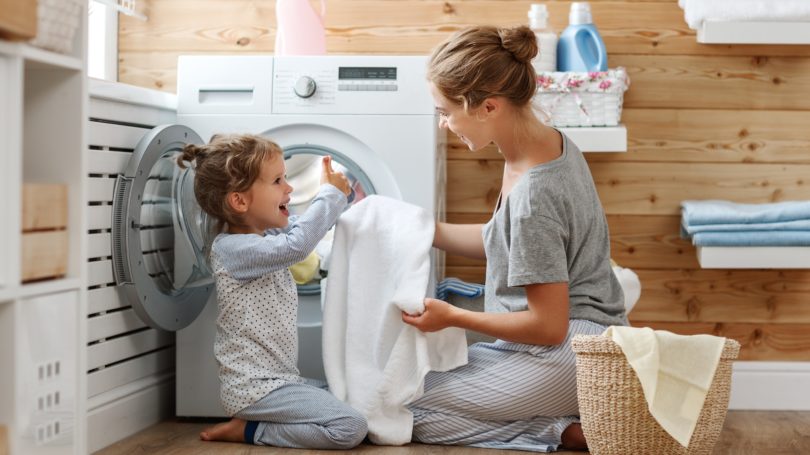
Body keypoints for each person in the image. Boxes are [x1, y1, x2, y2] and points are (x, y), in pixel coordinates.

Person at [401, 25, 628, 452]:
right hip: (584, 343)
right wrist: (415, 229)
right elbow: (500, 239)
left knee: (397, 403)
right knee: (404, 387)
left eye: (445, 112)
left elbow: (547, 325)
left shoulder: (533, 195)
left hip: (569, 354)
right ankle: (557, 420)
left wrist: (453, 316)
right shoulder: (548, 144)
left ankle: (558, 430)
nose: (445, 124)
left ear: (488, 106)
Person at [176, 134, 368, 448]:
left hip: (281, 383)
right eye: (278, 180)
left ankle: (254, 423)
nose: (288, 188)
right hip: (254, 389)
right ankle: (251, 431)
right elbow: (298, 245)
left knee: (352, 394)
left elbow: (301, 228)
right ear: (240, 201)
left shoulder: (266, 234)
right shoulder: (233, 249)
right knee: (350, 426)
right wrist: (329, 197)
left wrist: (340, 195)